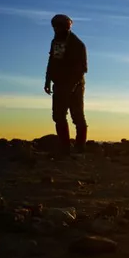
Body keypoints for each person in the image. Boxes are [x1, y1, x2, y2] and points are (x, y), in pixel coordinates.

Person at [44, 14, 87, 155]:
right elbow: (52, 61)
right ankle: (64, 147)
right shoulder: (56, 42)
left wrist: (73, 87)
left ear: (66, 26)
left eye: (58, 26)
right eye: (54, 26)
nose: (55, 29)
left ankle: (80, 147)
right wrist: (48, 80)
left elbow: (82, 69)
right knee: (58, 115)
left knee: (77, 116)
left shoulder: (77, 44)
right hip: (59, 84)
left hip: (75, 85)